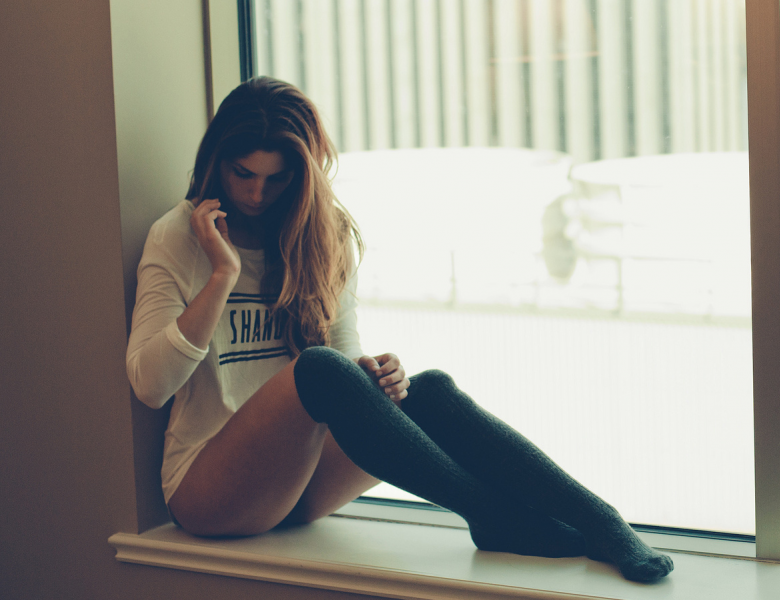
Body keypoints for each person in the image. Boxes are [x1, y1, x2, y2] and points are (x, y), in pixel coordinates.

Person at [126, 77, 673, 583]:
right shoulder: (178, 237)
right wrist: (223, 274)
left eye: (277, 178)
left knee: (426, 390)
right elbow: (150, 386)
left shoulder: (321, 233)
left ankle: (603, 522)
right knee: (316, 370)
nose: (255, 194)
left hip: (298, 485)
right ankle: (492, 514)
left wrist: (374, 376)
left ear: (305, 172)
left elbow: (343, 355)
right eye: (242, 173)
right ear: (217, 161)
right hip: (209, 490)